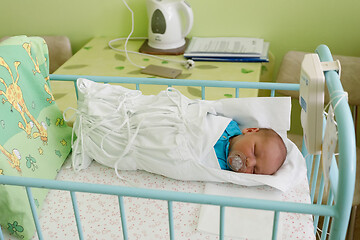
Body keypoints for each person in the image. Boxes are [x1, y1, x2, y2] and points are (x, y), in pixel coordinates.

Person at [214, 120, 287, 175]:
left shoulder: (220, 170)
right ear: (250, 130)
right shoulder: (229, 125)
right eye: (254, 151)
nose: (249, 163)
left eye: (254, 170)